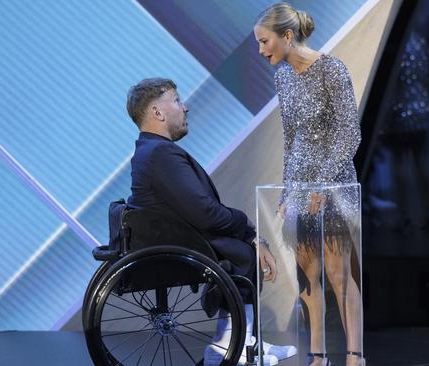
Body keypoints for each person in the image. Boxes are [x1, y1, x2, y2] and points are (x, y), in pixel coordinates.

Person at [125, 78, 297, 366]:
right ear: (157, 112)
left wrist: (250, 234)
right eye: (177, 100)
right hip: (177, 244)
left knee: (243, 249)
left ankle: (241, 340)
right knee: (242, 254)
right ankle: (230, 342)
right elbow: (204, 213)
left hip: (178, 237)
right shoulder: (160, 154)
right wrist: (247, 228)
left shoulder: (153, 152)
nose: (186, 107)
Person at [254, 3, 364, 366]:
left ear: (287, 36)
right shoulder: (282, 77)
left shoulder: (332, 70)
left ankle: (354, 356)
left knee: (338, 273)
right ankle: (317, 356)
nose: (261, 50)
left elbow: (350, 134)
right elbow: (291, 140)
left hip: (333, 183)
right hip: (300, 186)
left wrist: (323, 185)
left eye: (264, 41)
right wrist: (288, 193)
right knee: (308, 275)